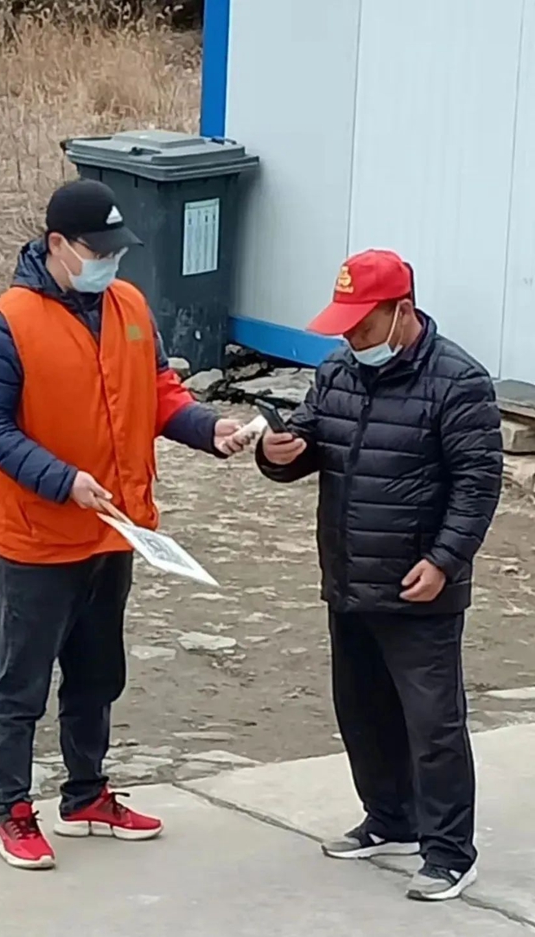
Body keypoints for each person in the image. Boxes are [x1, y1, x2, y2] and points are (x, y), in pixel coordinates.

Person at [0, 179, 243, 870]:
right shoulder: (8, 322)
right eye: (99, 252)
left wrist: (210, 429)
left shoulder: (130, 306)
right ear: (57, 245)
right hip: (37, 537)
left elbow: (159, 393)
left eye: (118, 252)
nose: (111, 264)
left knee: (97, 674)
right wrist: (61, 480)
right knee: (20, 684)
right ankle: (11, 810)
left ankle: (86, 794)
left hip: (114, 529)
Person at [256, 249, 503, 902]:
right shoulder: (337, 370)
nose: (352, 338)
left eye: (363, 326)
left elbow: (477, 485)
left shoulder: (459, 382)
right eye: (344, 326)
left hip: (420, 585)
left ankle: (449, 852)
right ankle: (389, 818)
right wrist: (277, 452)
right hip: (348, 577)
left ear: (402, 312)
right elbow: (309, 442)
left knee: (432, 725)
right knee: (362, 712)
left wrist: (444, 560)